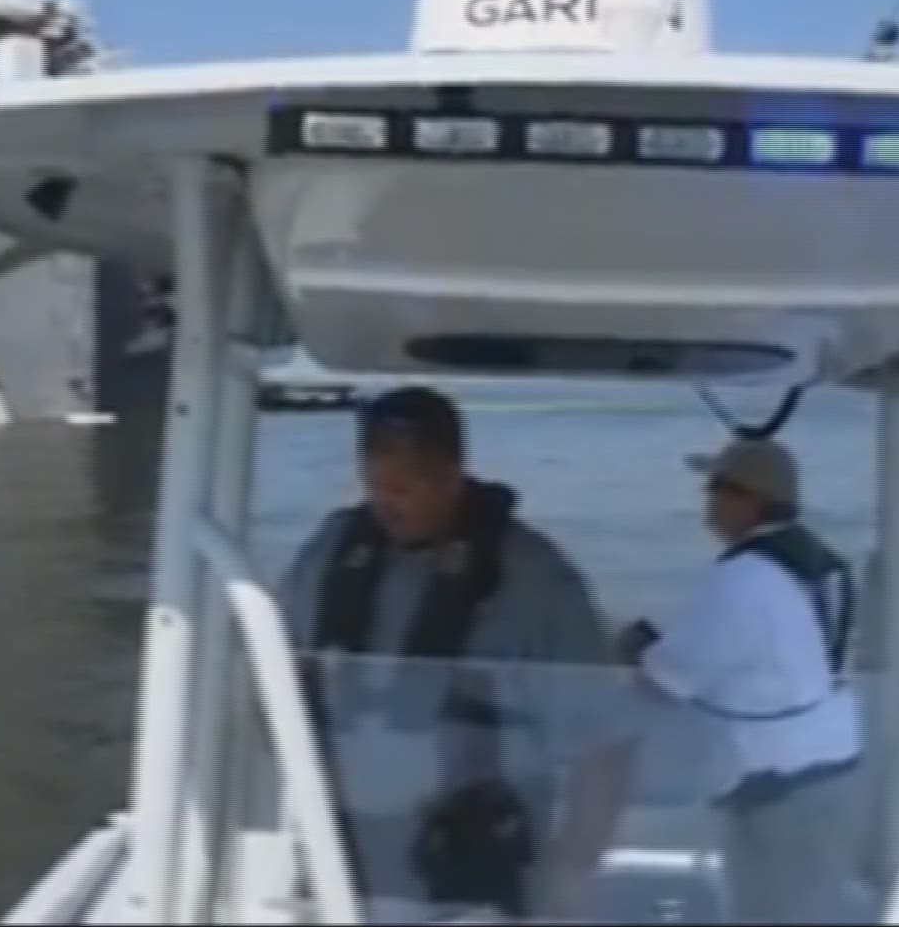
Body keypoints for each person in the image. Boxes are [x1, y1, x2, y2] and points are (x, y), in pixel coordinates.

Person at [279, 385, 632, 921]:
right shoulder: (333, 550)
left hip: (474, 885)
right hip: (343, 873)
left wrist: (573, 867)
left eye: (404, 487)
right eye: (375, 484)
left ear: (452, 476)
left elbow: (606, 743)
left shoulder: (535, 578)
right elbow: (266, 670)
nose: (384, 504)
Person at [614, 436, 863, 925]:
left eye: (717, 488)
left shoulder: (745, 578)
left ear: (750, 500)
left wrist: (632, 647)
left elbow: (667, 680)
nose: (707, 500)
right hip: (831, 761)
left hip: (776, 780)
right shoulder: (824, 565)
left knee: (766, 912)